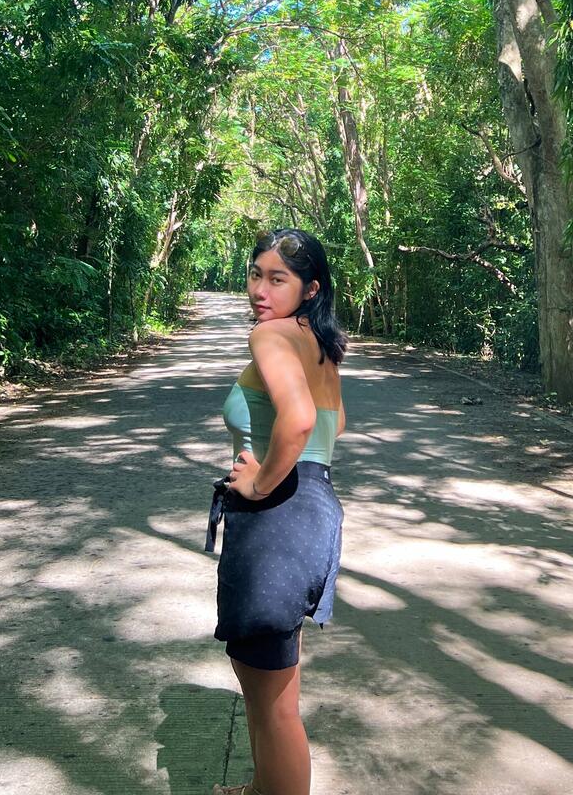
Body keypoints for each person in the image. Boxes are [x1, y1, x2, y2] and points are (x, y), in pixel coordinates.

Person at [206, 228, 346, 795]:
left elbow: (300, 420)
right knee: (271, 688)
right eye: (255, 274)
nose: (260, 290)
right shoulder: (319, 343)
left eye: (277, 279)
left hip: (276, 523)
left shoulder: (270, 336)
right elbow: (335, 425)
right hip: (314, 510)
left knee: (273, 705)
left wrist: (260, 483)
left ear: (310, 288)